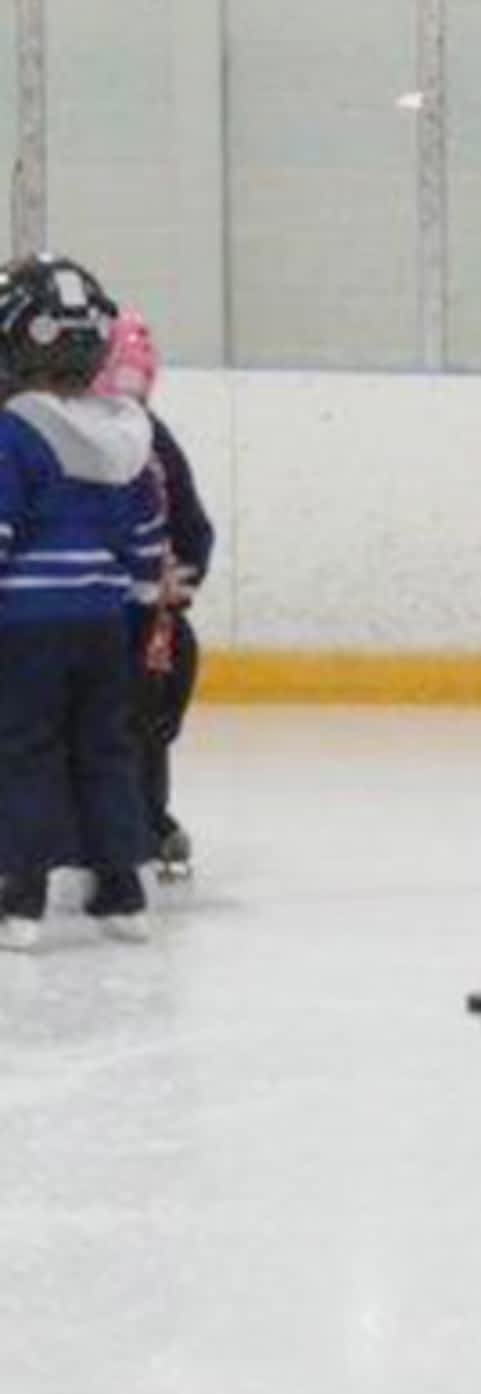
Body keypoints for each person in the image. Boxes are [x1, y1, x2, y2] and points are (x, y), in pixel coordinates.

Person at [0, 255, 163, 949]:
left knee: (27, 750)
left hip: (27, 627)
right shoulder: (128, 434)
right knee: (105, 750)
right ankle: (122, 891)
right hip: (101, 623)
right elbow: (146, 543)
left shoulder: (13, 433)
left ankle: (23, 897)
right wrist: (136, 614)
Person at [93, 308, 214, 875]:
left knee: (153, 701)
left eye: (137, 383)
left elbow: (193, 530)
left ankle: (146, 815)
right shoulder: (55, 436)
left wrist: (176, 586)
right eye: (119, 380)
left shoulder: (152, 440)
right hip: (73, 610)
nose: (128, 396)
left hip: (142, 616)